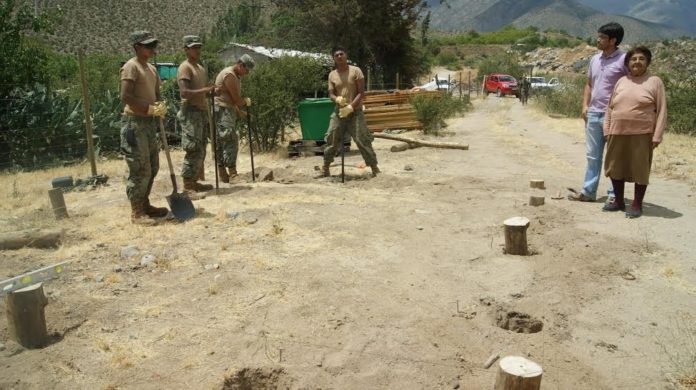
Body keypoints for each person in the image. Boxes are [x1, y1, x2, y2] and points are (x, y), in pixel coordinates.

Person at [602, 46, 667, 218]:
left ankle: (637, 204)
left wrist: (657, 135)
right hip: (617, 131)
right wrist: (607, 129)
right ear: (628, 63)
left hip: (642, 133)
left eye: (641, 59)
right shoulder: (621, 81)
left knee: (640, 168)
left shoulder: (654, 81)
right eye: (633, 59)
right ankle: (618, 201)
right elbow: (610, 107)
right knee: (615, 166)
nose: (637, 62)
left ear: (647, 62)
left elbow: (662, 110)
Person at [568, 22, 628, 203]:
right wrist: (584, 106)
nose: (598, 40)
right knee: (592, 156)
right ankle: (588, 192)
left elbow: (631, 85)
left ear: (613, 40)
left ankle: (614, 195)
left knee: (614, 157)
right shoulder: (595, 59)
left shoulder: (624, 60)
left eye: (602, 37)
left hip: (615, 116)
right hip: (593, 114)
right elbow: (589, 84)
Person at [119, 31, 168, 225]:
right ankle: (136, 212)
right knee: (140, 168)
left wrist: (160, 106)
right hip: (134, 123)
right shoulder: (131, 67)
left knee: (153, 166)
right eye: (148, 45)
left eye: (153, 45)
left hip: (149, 123)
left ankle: (145, 203)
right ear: (137, 47)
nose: (151, 48)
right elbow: (126, 96)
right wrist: (149, 108)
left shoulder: (152, 70)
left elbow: (156, 94)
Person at [322, 46, 380, 177]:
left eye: (341, 54)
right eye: (336, 55)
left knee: (362, 139)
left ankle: (374, 167)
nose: (339, 56)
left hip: (355, 112)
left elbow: (361, 93)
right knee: (331, 138)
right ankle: (325, 167)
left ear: (346, 55)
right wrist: (336, 99)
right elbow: (330, 93)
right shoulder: (332, 74)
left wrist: (351, 107)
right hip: (339, 112)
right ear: (334, 58)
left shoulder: (356, 71)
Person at [176, 35, 215, 195]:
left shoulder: (200, 68)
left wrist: (211, 92)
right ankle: (187, 186)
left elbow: (202, 91)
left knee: (201, 149)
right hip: (190, 112)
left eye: (199, 47)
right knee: (192, 148)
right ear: (186, 49)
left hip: (201, 112)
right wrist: (204, 91)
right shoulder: (185, 68)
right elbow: (184, 92)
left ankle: (194, 181)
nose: (197, 50)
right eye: (193, 47)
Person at [213, 54, 255, 183]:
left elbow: (230, 98)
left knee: (221, 141)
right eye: (246, 70)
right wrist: (244, 102)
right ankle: (233, 174)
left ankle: (222, 173)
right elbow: (236, 99)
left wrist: (237, 110)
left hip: (225, 109)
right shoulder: (230, 75)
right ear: (240, 65)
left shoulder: (235, 75)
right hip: (223, 110)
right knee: (230, 140)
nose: (247, 73)